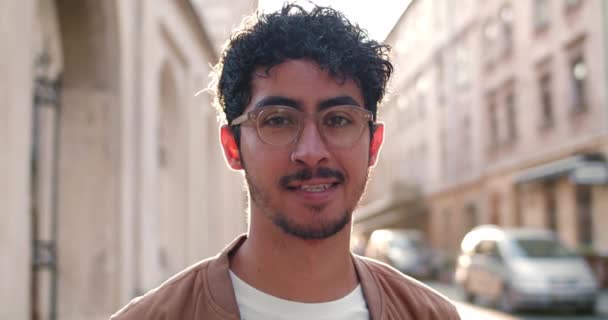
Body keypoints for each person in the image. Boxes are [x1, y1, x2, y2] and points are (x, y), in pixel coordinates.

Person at [111, 3, 460, 320]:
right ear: (233, 147)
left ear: (373, 144)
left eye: (338, 119)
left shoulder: (430, 315)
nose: (311, 151)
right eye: (278, 120)